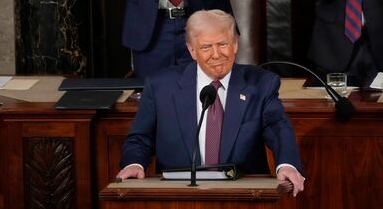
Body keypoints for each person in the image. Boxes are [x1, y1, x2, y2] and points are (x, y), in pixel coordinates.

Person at [117, 10, 305, 197]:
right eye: (206, 47)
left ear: (235, 45)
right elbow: (140, 138)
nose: (216, 55)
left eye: (223, 44)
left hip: (242, 196)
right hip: (178, 197)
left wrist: (287, 164)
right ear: (192, 50)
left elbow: (278, 128)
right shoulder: (161, 86)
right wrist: (134, 163)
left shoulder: (261, 84)